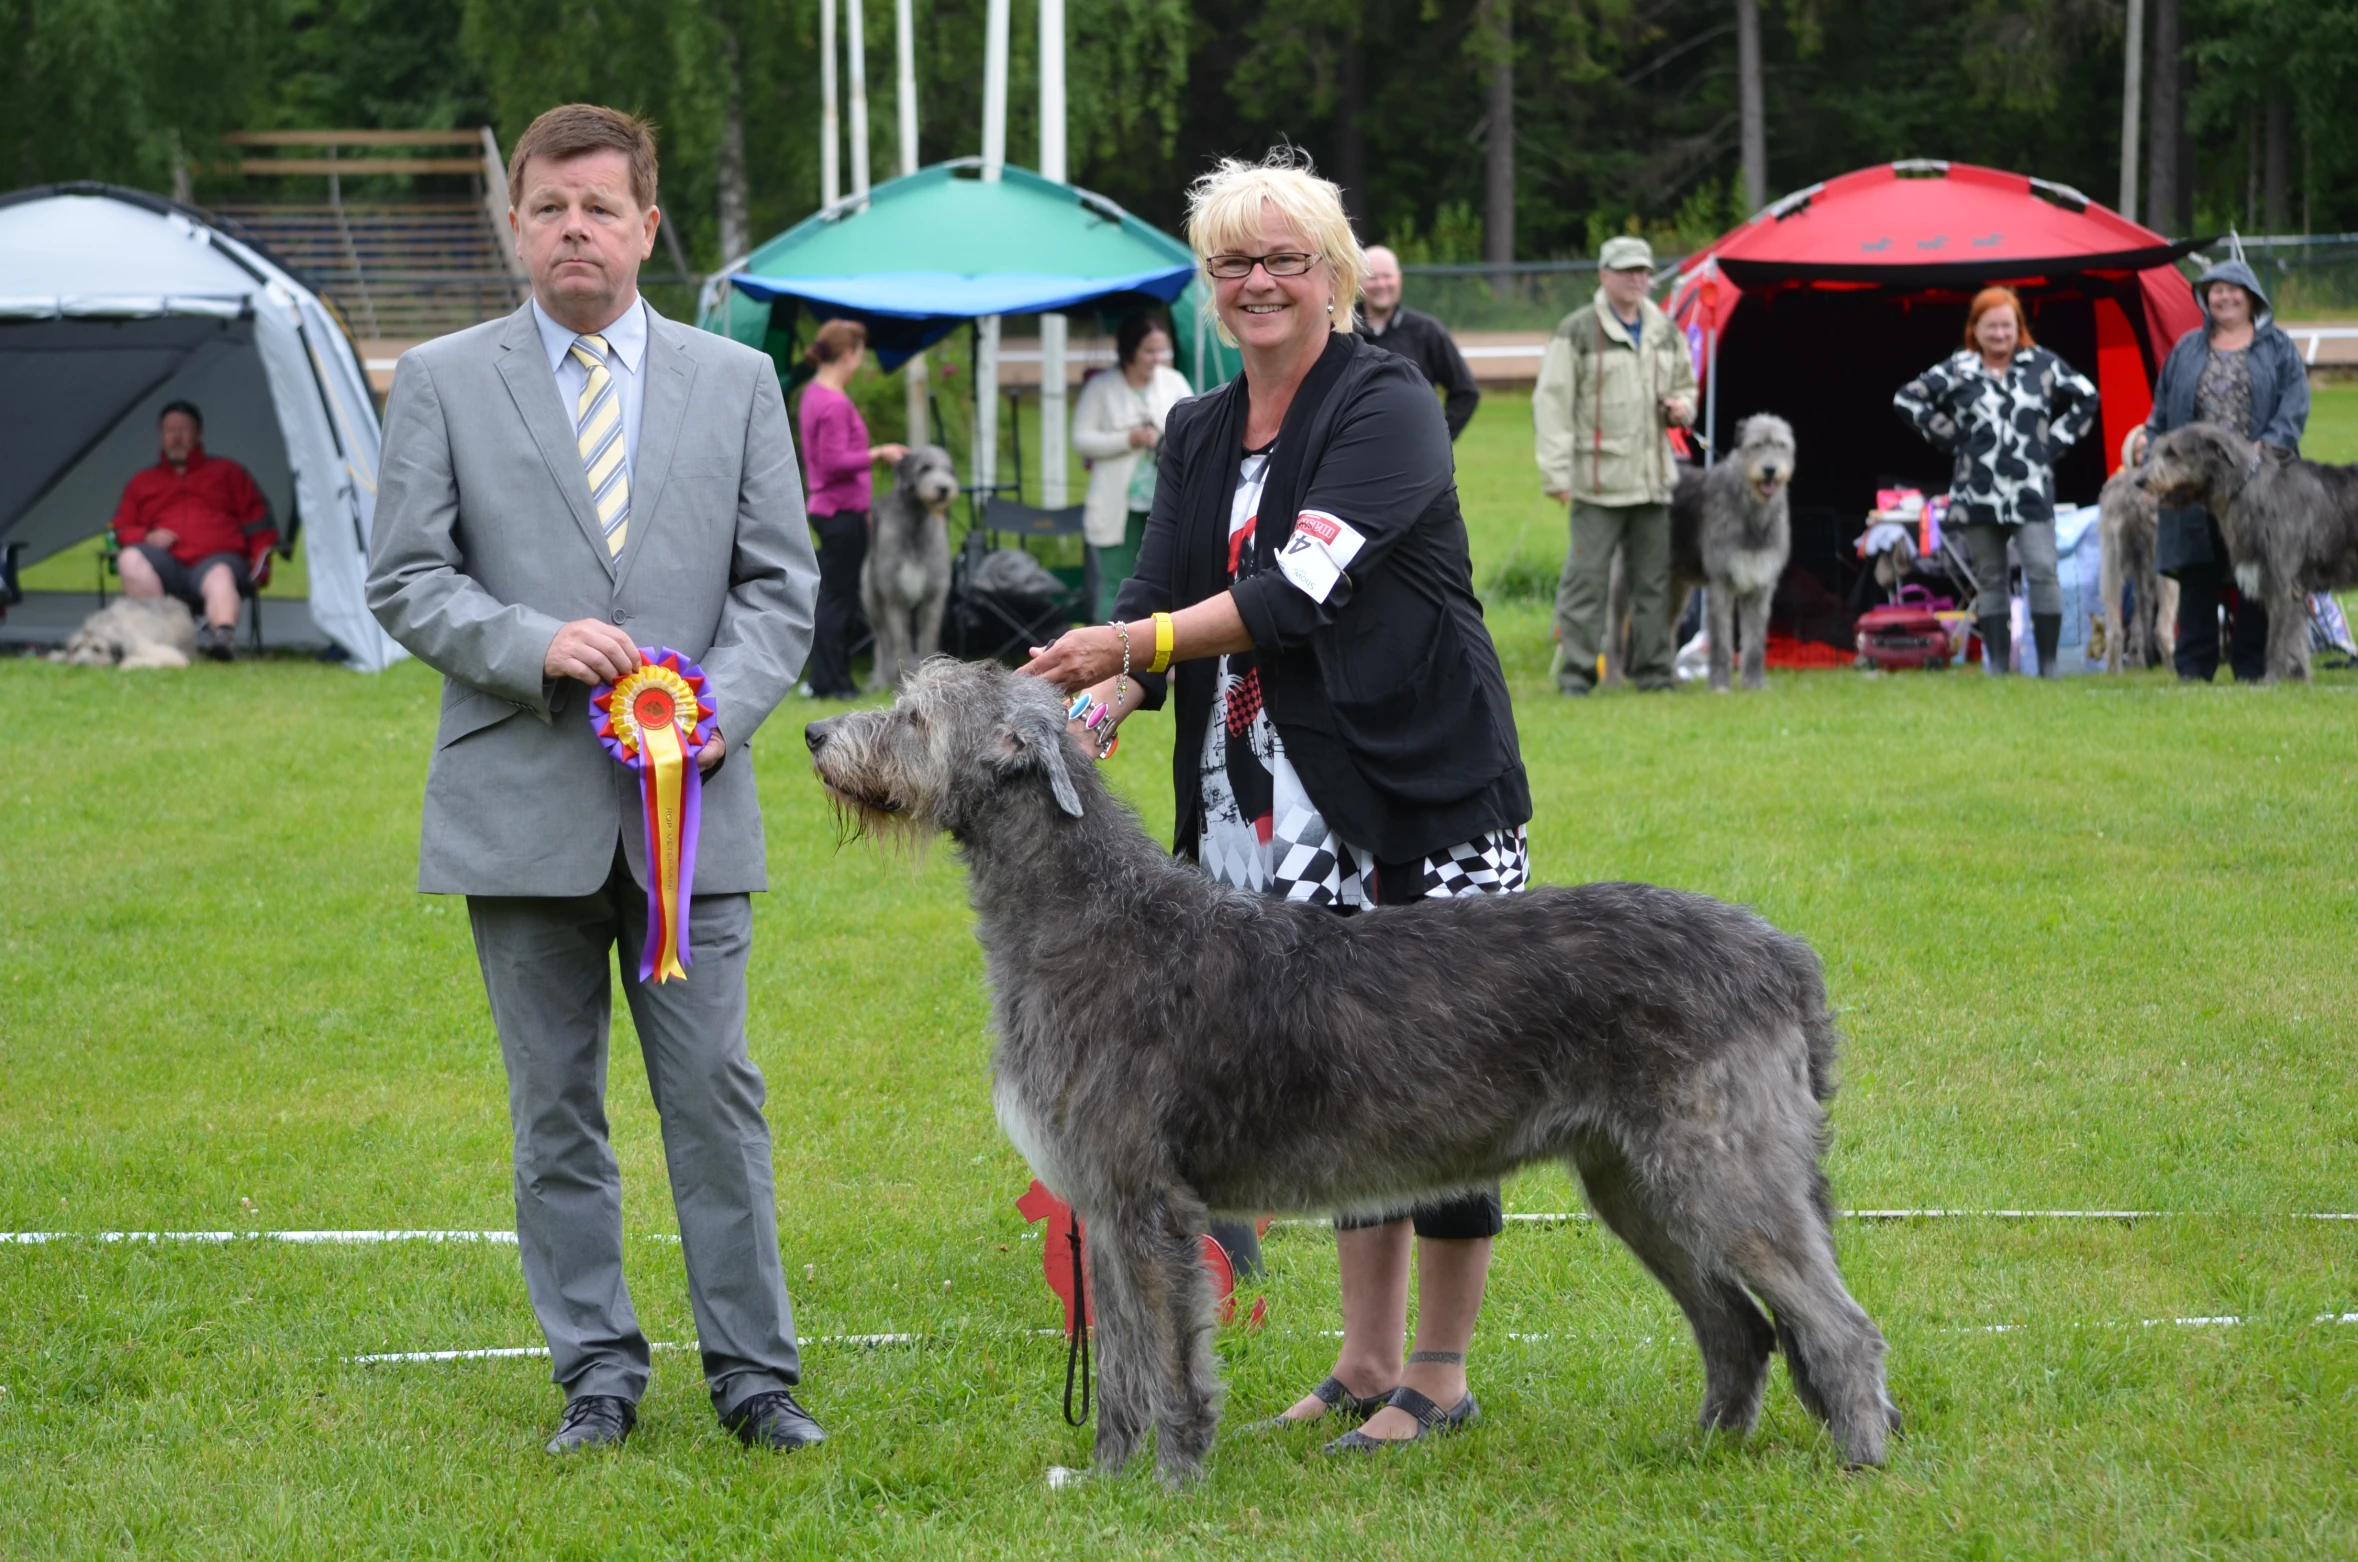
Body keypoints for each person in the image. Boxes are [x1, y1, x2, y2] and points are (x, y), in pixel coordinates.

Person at [1024, 149, 1531, 1452]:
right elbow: (1151, 595)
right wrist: (1079, 715)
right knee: (1328, 1080)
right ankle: (1361, 1358)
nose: (1256, 282)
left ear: (1333, 272)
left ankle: (1440, 1365)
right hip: (1255, 807)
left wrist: (1130, 653)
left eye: (1281, 258)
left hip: (1412, 789)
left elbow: (1299, 592)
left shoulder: (1386, 403)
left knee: (1440, 1073)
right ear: (1207, 284)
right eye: (1230, 262)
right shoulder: (1196, 427)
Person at [366, 103, 825, 1457]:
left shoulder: (738, 381)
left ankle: (754, 1375)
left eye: (600, 207)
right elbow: (405, 577)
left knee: (716, 1099)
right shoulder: (442, 378)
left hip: (699, 815)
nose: (576, 228)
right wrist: (530, 643)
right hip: (517, 812)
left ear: (646, 225)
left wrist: (717, 716)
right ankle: (598, 1373)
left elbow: (780, 589)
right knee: (552, 1107)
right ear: (516, 224)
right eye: (550, 206)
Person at [1894, 286, 2098, 676]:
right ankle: (1999, 668)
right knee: (1990, 577)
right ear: (1975, 329)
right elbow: (1907, 398)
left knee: (2042, 569)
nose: (2000, 334)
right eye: (1991, 327)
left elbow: (2087, 396)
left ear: (2018, 327)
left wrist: (2053, 442)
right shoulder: (1958, 368)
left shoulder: (2042, 364)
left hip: (2031, 489)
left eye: (2007, 326)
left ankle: (2049, 666)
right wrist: (1949, 436)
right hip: (1977, 492)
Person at [2131, 257, 2310, 683]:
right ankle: (2194, 669)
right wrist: (2150, 458)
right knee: (2197, 571)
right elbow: (2162, 410)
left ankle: (2251, 667)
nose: (2224, 297)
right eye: (2215, 290)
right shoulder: (2187, 349)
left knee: (2257, 573)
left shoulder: (2278, 347)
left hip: (2261, 482)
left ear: (2251, 298)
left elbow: (2295, 403)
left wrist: (2274, 445)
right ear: (2204, 298)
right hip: (2193, 485)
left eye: (2233, 290)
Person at [1533, 235, 1696, 694]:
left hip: (1652, 482)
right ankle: (1577, 676)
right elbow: (1552, 403)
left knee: (1654, 584)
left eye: (1643, 271)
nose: (1637, 279)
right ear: (1603, 275)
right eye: (1627, 271)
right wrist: (1556, 474)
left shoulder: (1666, 329)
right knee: (1587, 584)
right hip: (1596, 483)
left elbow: (1687, 385)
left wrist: (1683, 407)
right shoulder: (1577, 329)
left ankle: (1653, 674)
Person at [110, 400, 276, 661]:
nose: (177, 437)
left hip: (218, 560)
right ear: (161, 436)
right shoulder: (142, 482)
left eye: (184, 430)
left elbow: (259, 523)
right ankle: (162, 638)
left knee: (220, 575)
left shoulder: (228, 473)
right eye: (170, 431)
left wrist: (261, 565)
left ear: (199, 434)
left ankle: (222, 639)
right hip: (165, 566)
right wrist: (145, 537)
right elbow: (120, 527)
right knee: (129, 559)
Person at [798, 318, 906, 699]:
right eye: (860, 354)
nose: (861, 361)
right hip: (839, 511)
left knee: (833, 595)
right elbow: (832, 462)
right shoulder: (834, 402)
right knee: (837, 599)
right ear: (848, 354)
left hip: (832, 509)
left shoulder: (813, 393)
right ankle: (832, 683)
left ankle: (828, 679)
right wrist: (880, 452)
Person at [1071, 311, 1190, 619]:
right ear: (1129, 350)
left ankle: (1157, 661)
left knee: (1165, 586)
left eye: (1161, 350)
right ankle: (1102, 664)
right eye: (1148, 351)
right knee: (1116, 586)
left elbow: (1195, 432)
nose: (1157, 358)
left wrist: (1164, 439)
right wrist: (1129, 439)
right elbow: (1081, 440)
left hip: (1164, 504)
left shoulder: (1174, 382)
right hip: (1117, 507)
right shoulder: (1101, 387)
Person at [1353, 245, 1481, 439]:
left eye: (1387, 276)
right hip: (1353, 450)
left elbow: (1465, 391)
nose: (1381, 284)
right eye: (1372, 277)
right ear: (1358, 280)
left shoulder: (1426, 331)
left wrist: (1439, 439)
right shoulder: (1341, 330)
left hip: (1412, 456)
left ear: (1399, 278)